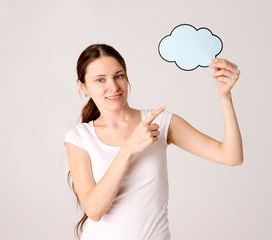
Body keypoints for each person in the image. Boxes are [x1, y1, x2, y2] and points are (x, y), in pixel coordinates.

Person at [63, 44, 243, 240]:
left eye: (118, 76)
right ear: (83, 87)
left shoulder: (160, 122)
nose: (113, 87)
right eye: (100, 80)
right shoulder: (79, 138)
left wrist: (225, 96)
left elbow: (231, 157)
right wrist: (129, 149)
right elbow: (94, 210)